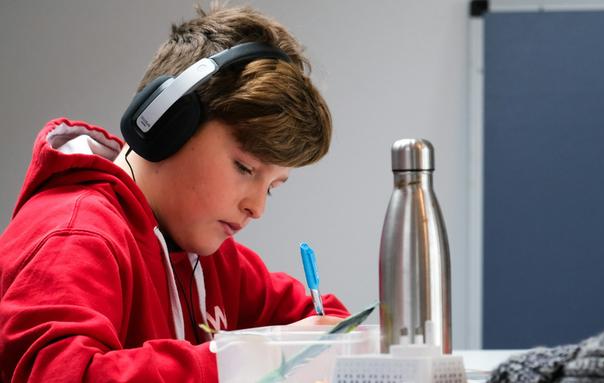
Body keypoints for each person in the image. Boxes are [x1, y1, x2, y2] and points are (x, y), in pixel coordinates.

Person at [0, 4, 349, 382]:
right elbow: (63, 375)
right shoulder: (74, 235)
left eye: (273, 187)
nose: (257, 207)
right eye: (245, 168)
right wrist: (248, 358)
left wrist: (338, 342)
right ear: (169, 124)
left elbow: (325, 324)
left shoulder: (211, 259)